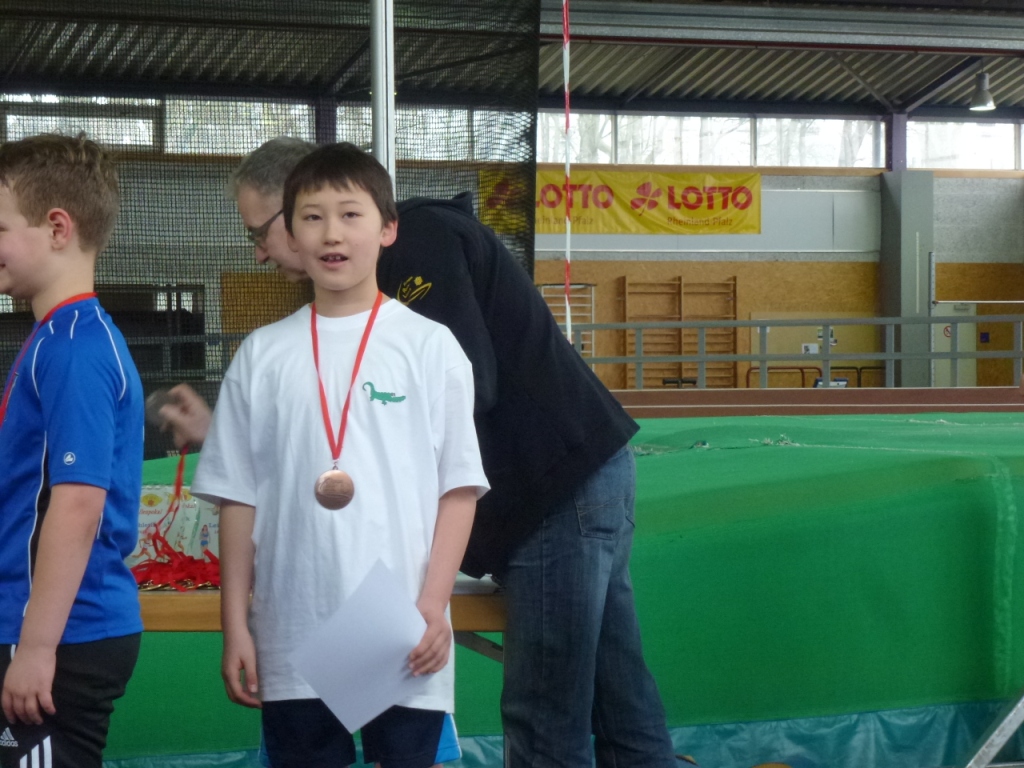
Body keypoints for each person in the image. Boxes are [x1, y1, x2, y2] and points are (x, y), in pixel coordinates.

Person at [162, 137, 678, 768]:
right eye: (308, 219)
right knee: (615, 693)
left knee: (547, 711)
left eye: (258, 231)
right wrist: (247, 431)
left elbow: (455, 388)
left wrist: (424, 587)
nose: (261, 252)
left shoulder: (417, 255)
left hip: (557, 488)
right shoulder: (281, 343)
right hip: (572, 477)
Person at [189, 143, 489, 768]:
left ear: (388, 228)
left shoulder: (430, 347)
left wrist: (431, 607)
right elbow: (237, 498)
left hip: (402, 633)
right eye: (312, 217)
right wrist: (235, 623)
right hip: (292, 633)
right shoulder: (262, 354)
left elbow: (458, 488)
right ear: (292, 235)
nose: (332, 233)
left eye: (351, 215)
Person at [0, 134, 144, 768]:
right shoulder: (52, 339)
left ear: (58, 228)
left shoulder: (75, 349)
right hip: (44, 626)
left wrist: (37, 648)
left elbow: (79, 505)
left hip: (64, 634)